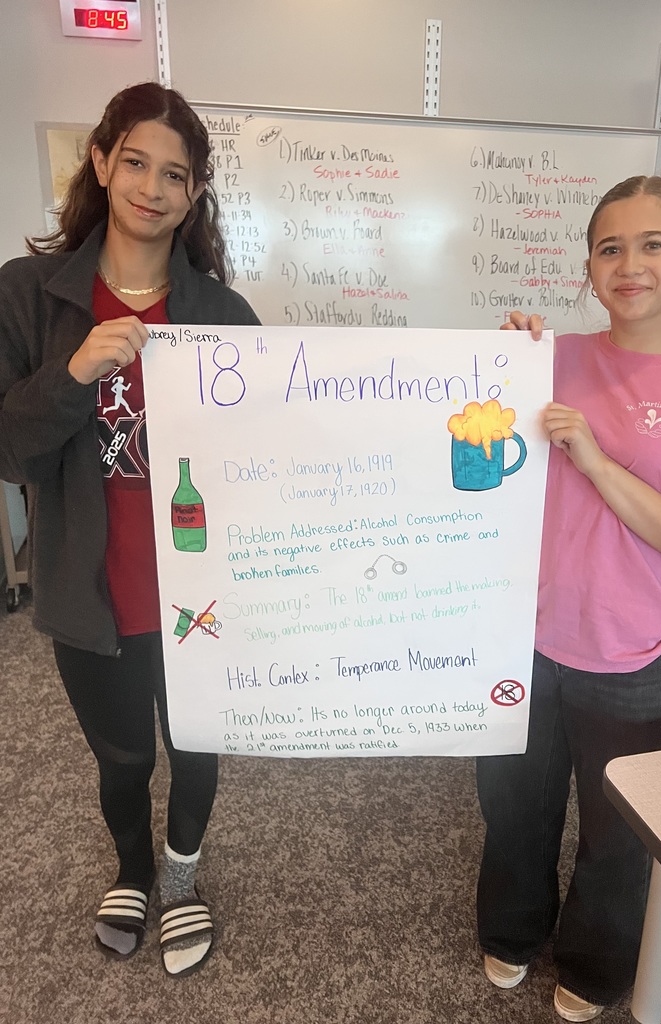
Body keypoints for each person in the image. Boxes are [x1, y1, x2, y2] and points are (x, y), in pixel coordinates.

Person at [477, 176, 661, 1020]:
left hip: (632, 652)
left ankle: (597, 966)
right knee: (514, 806)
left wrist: (599, 463)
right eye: (610, 248)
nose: (629, 265)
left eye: (651, 245)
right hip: (522, 639)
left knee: (617, 832)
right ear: (589, 267)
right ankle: (511, 930)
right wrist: (496, 362)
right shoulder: (551, 358)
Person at [0, 82, 260, 977]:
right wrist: (73, 371)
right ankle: (134, 868)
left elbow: (288, 441)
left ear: (194, 196)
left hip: (199, 592)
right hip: (89, 590)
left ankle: (182, 875)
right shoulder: (30, 295)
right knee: (120, 756)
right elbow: (5, 450)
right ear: (103, 162)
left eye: (175, 175)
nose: (152, 186)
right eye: (136, 161)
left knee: (196, 749)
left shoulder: (220, 312)